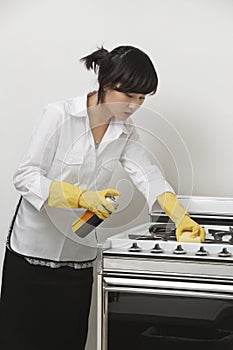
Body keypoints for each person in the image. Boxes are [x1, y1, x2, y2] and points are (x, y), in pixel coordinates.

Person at [0, 45, 205, 349]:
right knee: (18, 341)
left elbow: (148, 175)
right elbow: (26, 176)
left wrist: (180, 216)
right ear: (106, 83)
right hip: (32, 254)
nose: (134, 105)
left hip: (79, 259)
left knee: (68, 342)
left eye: (142, 98)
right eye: (128, 95)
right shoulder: (59, 115)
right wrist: (80, 197)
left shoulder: (126, 132)